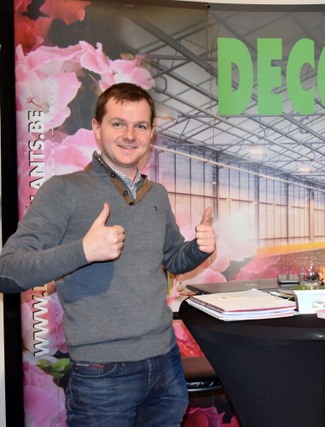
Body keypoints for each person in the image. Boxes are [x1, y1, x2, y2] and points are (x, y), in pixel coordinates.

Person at [0, 82, 216, 426]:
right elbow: (7, 271)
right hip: (102, 376)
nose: (129, 135)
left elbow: (174, 258)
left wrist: (198, 249)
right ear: (97, 128)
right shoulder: (64, 190)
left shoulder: (156, 194)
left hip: (165, 365)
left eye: (140, 126)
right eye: (118, 124)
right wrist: (83, 250)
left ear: (151, 133)